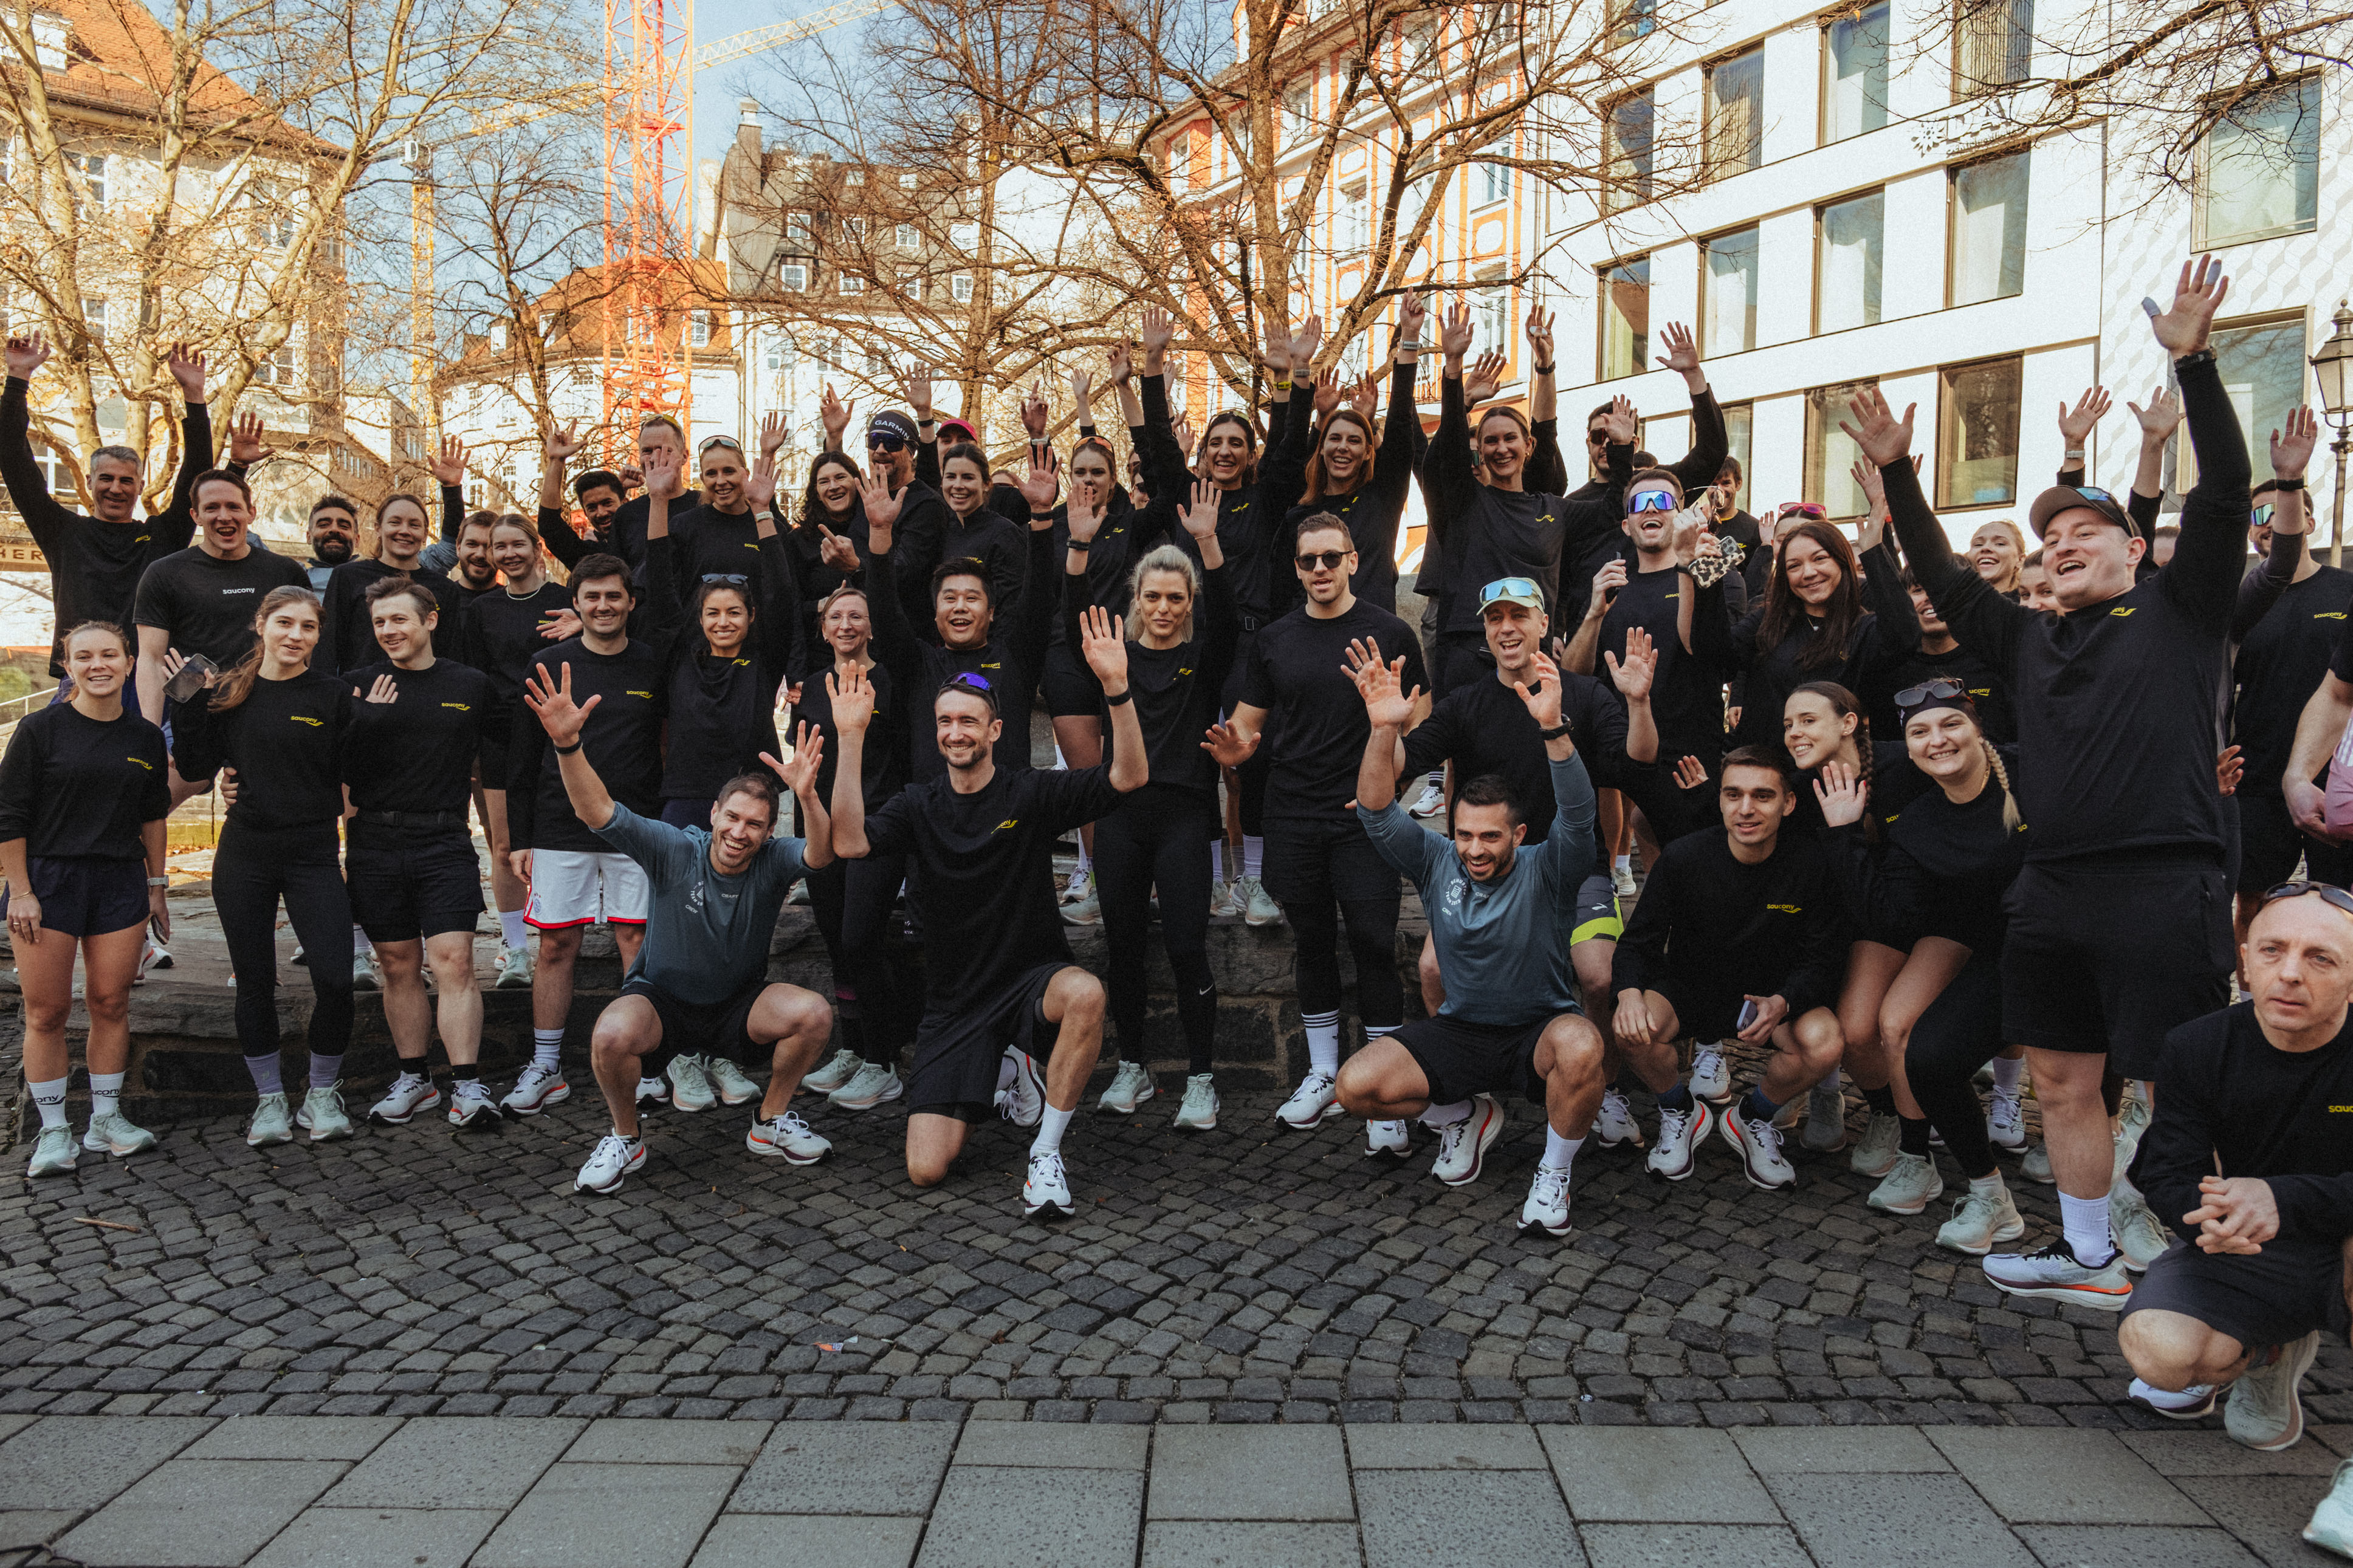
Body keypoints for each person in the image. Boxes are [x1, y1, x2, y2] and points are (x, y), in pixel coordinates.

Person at [1856, 256, 2251, 1307]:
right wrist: (1897, 474)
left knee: (2178, 1091)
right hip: (2052, 888)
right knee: (2066, 1080)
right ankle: (2086, 1258)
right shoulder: (2029, 639)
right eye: (2051, 539)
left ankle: (2208, 1277)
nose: (2062, 546)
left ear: (2133, 550)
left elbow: (2224, 493)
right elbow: (1939, 577)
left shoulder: (2183, 609)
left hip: (2164, 883)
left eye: (2086, 534)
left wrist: (2197, 364)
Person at [823, 609, 1149, 1219]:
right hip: (953, 1006)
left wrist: (1116, 689)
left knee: (1084, 994)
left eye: (968, 721)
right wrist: (849, 738)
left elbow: (1128, 777)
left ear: (995, 730)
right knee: (925, 1168)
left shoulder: (1027, 793)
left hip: (1029, 982)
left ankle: (1045, 1152)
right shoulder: (917, 804)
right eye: (945, 721)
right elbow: (846, 843)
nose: (955, 731)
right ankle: (1001, 1071)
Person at [520, 663, 839, 1195]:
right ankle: (626, 1137)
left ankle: (770, 1121)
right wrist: (569, 745)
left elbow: (824, 852)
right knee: (610, 1034)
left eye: (755, 824)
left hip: (738, 1002)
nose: (740, 833)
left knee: (814, 1014)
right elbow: (596, 810)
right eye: (732, 817)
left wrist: (808, 796)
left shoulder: (776, 858)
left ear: (768, 831)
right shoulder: (675, 847)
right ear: (714, 813)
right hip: (662, 1000)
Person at [1342, 646, 1605, 1234]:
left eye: (1490, 836)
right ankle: (1466, 1114)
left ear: (1518, 833)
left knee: (1584, 1046)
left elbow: (1581, 815)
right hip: (1462, 1031)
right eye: (1464, 834)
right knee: (1355, 1087)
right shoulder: (1439, 861)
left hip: (1538, 1030)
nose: (1475, 849)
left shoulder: (1549, 867)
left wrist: (1554, 731)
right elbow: (1376, 810)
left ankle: (1553, 1173)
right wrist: (1384, 729)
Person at [1401, 579, 1660, 1146]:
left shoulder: (1585, 695)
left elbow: (1636, 762)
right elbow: (1407, 762)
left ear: (1546, 624)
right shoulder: (1464, 703)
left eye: (1520, 615)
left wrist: (1638, 702)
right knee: (1432, 969)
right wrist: (1380, 726)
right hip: (1487, 872)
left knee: (1599, 975)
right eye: (1495, 619)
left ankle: (1603, 1088)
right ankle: (1470, 1098)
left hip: (1573, 870)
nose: (1507, 628)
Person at [2116, 885, 2353, 1484]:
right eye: (2271, 950)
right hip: (2248, 1247)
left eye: (2319, 958)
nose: (2289, 973)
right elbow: (2164, 1169)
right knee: (2159, 1353)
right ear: (2243, 958)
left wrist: (2280, 1196)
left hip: (2341, 1238)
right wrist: (2205, 1215)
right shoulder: (2196, 1046)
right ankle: (2266, 1352)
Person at [1207, 513, 1429, 1149]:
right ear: (1296, 568)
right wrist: (1236, 750)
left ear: (1354, 560)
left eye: (1331, 557)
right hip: (1292, 814)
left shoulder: (1390, 632)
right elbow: (1249, 723)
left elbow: (1420, 726)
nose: (1321, 570)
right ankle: (1324, 1073)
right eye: (1308, 561)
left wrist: (1385, 783)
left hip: (1364, 819)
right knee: (1310, 941)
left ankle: (1385, 1089)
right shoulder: (1274, 639)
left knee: (1369, 939)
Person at [1815, 685, 2033, 1252]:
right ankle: (1920, 1156)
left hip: (2051, 940)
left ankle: (2115, 1187)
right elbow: (1889, 914)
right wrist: (1844, 832)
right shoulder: (1916, 824)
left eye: (1950, 724)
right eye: (1920, 732)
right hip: (1969, 935)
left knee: (2072, 1068)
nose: (1937, 740)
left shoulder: (2033, 773)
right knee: (1903, 1031)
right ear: (1907, 750)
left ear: (1977, 729)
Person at [164, 586, 359, 1148]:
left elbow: (355, 768)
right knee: (254, 981)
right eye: (285, 623)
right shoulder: (227, 692)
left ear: (318, 636)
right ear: (261, 624)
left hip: (313, 852)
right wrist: (184, 702)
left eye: (307, 627)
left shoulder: (333, 693)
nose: (296, 636)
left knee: (337, 978)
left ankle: (321, 1094)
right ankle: (270, 1100)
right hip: (245, 852)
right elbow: (199, 767)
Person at [1610, 747, 1847, 1191]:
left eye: (1762, 796)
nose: (1746, 809)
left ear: (1788, 803)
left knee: (1825, 1042)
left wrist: (1786, 999)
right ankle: (1679, 1109)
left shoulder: (1812, 864)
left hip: (1771, 996)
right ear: (1718, 800)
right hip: (1689, 986)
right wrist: (1627, 993)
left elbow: (1825, 957)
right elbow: (1638, 941)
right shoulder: (1683, 858)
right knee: (1629, 1028)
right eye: (1733, 794)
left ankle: (1752, 1117)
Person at [1079, 480, 1237, 1126]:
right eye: (1154, 597)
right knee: (1120, 945)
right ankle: (1133, 1067)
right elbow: (1072, 612)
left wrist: (1205, 540)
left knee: (1184, 944)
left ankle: (1201, 1078)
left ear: (1188, 601)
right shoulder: (1111, 658)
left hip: (1181, 818)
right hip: (1121, 818)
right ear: (1136, 601)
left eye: (1176, 597)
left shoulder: (1202, 658)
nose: (1165, 607)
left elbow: (1229, 616)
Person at [3, 621, 171, 1176]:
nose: (98, 665)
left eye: (109, 655)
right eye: (84, 656)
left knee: (110, 1002)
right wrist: (20, 891)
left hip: (120, 882)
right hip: (48, 884)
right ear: (67, 665)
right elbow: (10, 817)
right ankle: (54, 1132)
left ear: (128, 663)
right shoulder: (39, 730)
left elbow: (152, 816)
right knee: (47, 1011)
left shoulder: (145, 736)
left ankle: (105, 1118)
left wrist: (157, 886)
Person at [340, 580, 502, 1130]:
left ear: (429, 621)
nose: (388, 631)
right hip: (375, 841)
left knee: (454, 959)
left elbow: (498, 766)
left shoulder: (470, 685)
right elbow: (326, 763)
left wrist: (508, 836)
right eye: (380, 622)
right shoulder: (357, 687)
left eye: (399, 620)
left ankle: (467, 1085)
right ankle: (415, 1079)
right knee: (398, 964)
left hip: (444, 840)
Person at [504, 554, 662, 1114]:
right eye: (591, 597)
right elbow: (521, 760)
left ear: (630, 602)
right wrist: (517, 837)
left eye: (613, 596)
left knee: (637, 945)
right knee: (555, 945)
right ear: (575, 602)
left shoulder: (653, 664)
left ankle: (642, 1061)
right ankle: (547, 1064)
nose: (602, 606)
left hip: (635, 826)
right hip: (557, 826)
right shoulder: (547, 663)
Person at [1421, 303, 1635, 697]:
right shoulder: (1466, 501)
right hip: (1470, 655)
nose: (1501, 447)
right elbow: (1450, 445)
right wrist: (1453, 369)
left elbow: (1612, 511)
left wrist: (1622, 448)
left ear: (1528, 446)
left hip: (1535, 657)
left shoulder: (1553, 509)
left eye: (1510, 438)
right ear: (1480, 452)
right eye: (1490, 441)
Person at [0, 335, 211, 699]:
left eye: (127, 480)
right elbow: (14, 462)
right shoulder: (63, 532)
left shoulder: (161, 537)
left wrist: (194, 398)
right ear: (89, 482)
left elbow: (197, 477)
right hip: (82, 680)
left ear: (140, 485)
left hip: (152, 683)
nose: (116, 488)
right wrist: (18, 377)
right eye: (107, 479)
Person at [792, 581, 913, 1113]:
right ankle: (854, 1045)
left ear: (871, 626)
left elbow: (907, 756)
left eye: (857, 616)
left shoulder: (892, 681)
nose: (846, 625)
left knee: (861, 937)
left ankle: (883, 1063)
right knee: (837, 943)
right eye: (836, 616)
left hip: (877, 827)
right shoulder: (809, 685)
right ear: (823, 629)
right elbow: (803, 759)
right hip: (820, 826)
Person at [862, 459, 1057, 782]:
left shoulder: (1015, 658)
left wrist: (1040, 515)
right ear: (936, 612)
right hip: (934, 819)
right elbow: (884, 612)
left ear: (992, 611)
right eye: (950, 599)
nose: (961, 607)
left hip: (1005, 818)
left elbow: (1038, 598)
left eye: (973, 598)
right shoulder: (919, 665)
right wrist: (881, 532)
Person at [2225, 414, 2344, 943]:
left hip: (2338, 778)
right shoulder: (2236, 605)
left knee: (2341, 903)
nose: (2268, 522)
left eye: (2281, 511)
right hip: (2258, 778)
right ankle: (2253, 1010)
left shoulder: (2347, 592)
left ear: (2308, 523)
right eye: (2257, 516)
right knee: (2254, 904)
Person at [131, 468, 310, 806]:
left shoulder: (285, 572)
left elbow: (305, 649)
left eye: (233, 507)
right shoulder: (164, 574)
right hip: (191, 706)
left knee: (267, 811)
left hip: (263, 709)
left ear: (250, 513)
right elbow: (151, 659)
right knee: (143, 806)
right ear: (195, 516)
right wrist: (149, 734)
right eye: (212, 508)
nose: (223, 516)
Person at [643, 450, 802, 828]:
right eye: (713, 613)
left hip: (751, 792)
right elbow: (661, 585)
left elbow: (781, 594)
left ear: (752, 617)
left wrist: (763, 510)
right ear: (699, 619)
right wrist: (658, 501)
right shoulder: (682, 657)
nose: (723, 622)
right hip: (688, 792)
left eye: (734, 613)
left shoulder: (764, 658)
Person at [456, 512, 577, 1002]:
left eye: (515, 544)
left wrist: (583, 619)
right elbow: (469, 679)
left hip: (558, 737)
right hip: (501, 738)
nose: (506, 554)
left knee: (565, 840)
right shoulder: (480, 610)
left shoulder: (567, 604)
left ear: (537, 547)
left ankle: (569, 934)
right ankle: (515, 949)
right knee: (506, 846)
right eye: (496, 546)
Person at [1279, 296, 1426, 615]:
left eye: (1354, 440)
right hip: (1314, 643)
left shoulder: (1382, 498)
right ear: (1321, 448)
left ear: (1367, 452)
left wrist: (1410, 340)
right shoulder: (1299, 515)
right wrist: (1301, 369)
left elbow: (1401, 428)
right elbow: (1290, 453)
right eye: (1335, 438)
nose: (1343, 447)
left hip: (1374, 641)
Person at [319, 485, 468, 674]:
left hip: (422, 695)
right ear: (378, 529)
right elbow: (327, 648)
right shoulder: (348, 576)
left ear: (424, 535)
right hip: (361, 694)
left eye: (414, 525)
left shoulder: (444, 588)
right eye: (395, 522)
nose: (404, 531)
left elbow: (451, 655)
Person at [300, 496, 361, 592]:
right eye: (324, 525)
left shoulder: (375, 583)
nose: (334, 530)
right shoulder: (294, 580)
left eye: (344, 526)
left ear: (357, 540)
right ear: (309, 537)